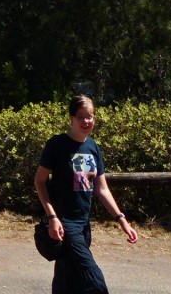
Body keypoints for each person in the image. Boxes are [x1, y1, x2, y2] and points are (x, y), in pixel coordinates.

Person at [34, 94, 138, 293]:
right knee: (94, 281)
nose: (86, 121)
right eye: (80, 116)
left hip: (83, 224)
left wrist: (121, 219)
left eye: (89, 116)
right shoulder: (57, 145)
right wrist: (52, 217)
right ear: (71, 118)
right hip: (64, 223)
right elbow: (40, 181)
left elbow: (102, 189)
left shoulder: (93, 148)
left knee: (66, 279)